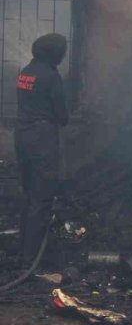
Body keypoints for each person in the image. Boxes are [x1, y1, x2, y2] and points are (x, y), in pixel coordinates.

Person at [15, 33, 69, 262]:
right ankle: (32, 257)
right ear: (55, 54)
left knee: (29, 194)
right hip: (42, 140)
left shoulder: (26, 71)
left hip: (22, 135)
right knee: (42, 196)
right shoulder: (51, 76)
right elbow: (61, 115)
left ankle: (22, 247)